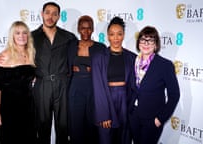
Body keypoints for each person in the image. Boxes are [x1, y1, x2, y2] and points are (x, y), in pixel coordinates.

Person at [31, 2, 77, 144]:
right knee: (42, 125)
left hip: (63, 85)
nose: (50, 16)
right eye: (47, 12)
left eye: (54, 14)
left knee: (63, 126)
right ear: (42, 14)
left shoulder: (69, 37)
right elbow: (21, 57)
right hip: (42, 84)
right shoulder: (31, 37)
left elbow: (76, 60)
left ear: (58, 16)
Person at [0, 21, 37, 144]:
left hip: (28, 106)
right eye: (17, 33)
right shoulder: (5, 55)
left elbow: (29, 77)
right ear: (12, 36)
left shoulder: (31, 54)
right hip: (10, 107)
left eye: (24, 33)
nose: (21, 36)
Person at [128, 26, 180, 144]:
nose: (146, 43)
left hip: (152, 119)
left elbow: (174, 95)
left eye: (150, 40)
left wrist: (160, 119)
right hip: (134, 116)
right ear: (138, 43)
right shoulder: (133, 61)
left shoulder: (165, 65)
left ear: (156, 45)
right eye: (143, 39)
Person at [91, 16, 136, 144]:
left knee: (124, 138)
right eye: (112, 34)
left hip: (125, 102)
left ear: (124, 35)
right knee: (105, 138)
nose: (115, 38)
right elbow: (98, 87)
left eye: (119, 34)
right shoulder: (98, 58)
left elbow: (134, 86)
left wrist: (131, 108)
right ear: (107, 36)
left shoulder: (132, 58)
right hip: (106, 99)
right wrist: (103, 114)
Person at [67, 15, 106, 144]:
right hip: (75, 88)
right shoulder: (71, 46)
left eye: (89, 28)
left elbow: (105, 71)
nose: (86, 31)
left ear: (93, 29)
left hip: (93, 88)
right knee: (76, 125)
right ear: (78, 29)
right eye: (83, 28)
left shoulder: (100, 48)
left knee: (92, 124)